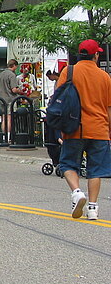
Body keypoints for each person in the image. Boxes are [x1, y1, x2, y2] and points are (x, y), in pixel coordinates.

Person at [56, 39, 111, 220]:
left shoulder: (68, 72)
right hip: (99, 129)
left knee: (67, 164)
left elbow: (58, 100)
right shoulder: (105, 77)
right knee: (96, 170)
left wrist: (59, 128)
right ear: (96, 55)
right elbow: (109, 108)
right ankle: (93, 209)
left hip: (74, 128)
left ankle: (77, 193)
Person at [0, 59, 21, 134]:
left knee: (3, 118)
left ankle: (4, 135)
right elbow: (14, 89)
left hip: (1, 98)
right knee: (9, 118)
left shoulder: (1, 74)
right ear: (14, 65)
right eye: (16, 66)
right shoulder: (12, 75)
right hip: (10, 99)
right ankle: (8, 135)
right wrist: (20, 91)